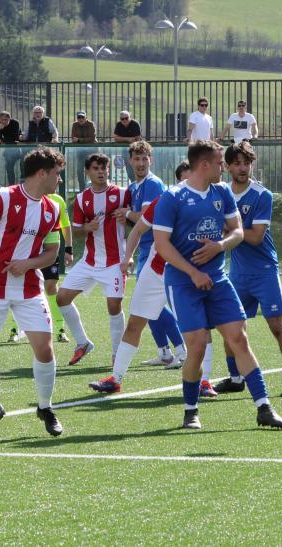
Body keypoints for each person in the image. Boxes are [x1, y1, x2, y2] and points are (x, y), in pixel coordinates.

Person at [152, 140, 282, 430]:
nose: (223, 167)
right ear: (204, 165)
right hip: (183, 283)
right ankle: (190, 411)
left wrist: (219, 246)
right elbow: (162, 246)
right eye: (219, 163)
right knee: (197, 346)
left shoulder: (222, 192)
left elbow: (238, 231)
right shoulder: (172, 197)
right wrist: (193, 272)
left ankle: (264, 407)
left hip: (218, 279)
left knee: (238, 338)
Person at [0, 146, 67, 438]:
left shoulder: (53, 208)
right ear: (41, 173)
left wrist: (29, 263)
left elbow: (52, 252)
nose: (60, 180)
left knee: (45, 349)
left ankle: (45, 407)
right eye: (57, 174)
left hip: (30, 289)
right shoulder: (3, 198)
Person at [89, 161, 195, 394]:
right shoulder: (167, 199)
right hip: (154, 270)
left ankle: (203, 380)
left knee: (197, 329)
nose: (186, 185)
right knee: (135, 323)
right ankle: (115, 379)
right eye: (183, 180)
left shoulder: (207, 203)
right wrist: (128, 257)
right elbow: (138, 228)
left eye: (191, 179)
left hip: (184, 274)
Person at [211, 141, 282, 397]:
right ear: (227, 166)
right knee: (230, 327)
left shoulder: (262, 195)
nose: (243, 168)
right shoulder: (219, 194)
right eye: (237, 163)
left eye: (247, 162)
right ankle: (235, 378)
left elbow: (255, 236)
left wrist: (226, 232)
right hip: (237, 274)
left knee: (276, 325)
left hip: (264, 272)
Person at [56, 153, 130, 367]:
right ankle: (83, 343)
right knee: (62, 298)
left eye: (104, 168)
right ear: (88, 172)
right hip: (89, 262)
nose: (101, 172)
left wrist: (129, 215)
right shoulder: (81, 198)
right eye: (96, 168)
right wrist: (86, 228)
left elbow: (137, 222)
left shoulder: (123, 194)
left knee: (114, 306)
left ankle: (117, 355)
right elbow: (76, 228)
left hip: (114, 261)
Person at [121, 140, 186, 367]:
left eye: (144, 159)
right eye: (136, 159)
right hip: (145, 250)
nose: (140, 163)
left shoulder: (153, 184)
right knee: (147, 307)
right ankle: (164, 352)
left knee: (152, 306)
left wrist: (127, 213)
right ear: (130, 161)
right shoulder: (134, 186)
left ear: (151, 160)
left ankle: (181, 349)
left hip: (156, 250)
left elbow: (143, 219)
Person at [8, 186, 74, 345]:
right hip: (27, 252)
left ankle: (59, 329)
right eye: (55, 174)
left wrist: (68, 249)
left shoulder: (58, 201)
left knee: (51, 286)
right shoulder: (24, 199)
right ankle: (15, 329)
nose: (58, 180)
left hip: (49, 250)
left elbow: (65, 226)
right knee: (18, 287)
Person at [0, 111, 22, 186]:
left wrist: (2, 140)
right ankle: (11, 185)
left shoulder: (15, 123)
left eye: (5, 119)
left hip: (19, 147)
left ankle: (23, 184)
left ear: (9, 119)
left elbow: (15, 137)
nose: (3, 121)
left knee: (23, 165)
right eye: (2, 119)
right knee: (9, 167)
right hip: (9, 149)